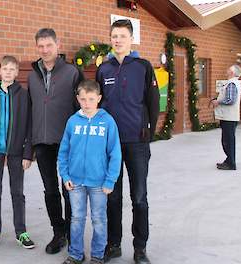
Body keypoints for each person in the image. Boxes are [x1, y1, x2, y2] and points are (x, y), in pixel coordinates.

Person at [96, 19, 159, 264]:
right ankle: (114, 244)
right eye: (114, 36)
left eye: (122, 36)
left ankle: (140, 247)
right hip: (110, 144)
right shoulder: (104, 69)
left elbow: (153, 102)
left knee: (139, 197)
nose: (118, 40)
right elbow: (98, 103)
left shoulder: (143, 66)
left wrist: (148, 131)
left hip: (137, 142)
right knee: (112, 196)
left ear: (131, 39)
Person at [28, 28, 84, 254]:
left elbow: (83, 106)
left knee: (68, 189)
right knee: (50, 190)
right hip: (42, 142)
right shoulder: (32, 75)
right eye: (40, 46)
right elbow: (30, 108)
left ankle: (72, 234)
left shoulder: (72, 72)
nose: (44, 50)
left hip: (66, 142)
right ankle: (58, 233)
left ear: (57, 45)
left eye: (48, 45)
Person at [58, 80, 121, 264]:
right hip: (75, 181)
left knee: (99, 219)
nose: (87, 103)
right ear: (78, 99)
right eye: (83, 99)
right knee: (76, 218)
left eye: (91, 99)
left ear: (99, 98)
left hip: (99, 183)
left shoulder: (107, 121)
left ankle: (97, 255)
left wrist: (110, 181)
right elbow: (63, 151)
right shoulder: (73, 121)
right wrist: (65, 175)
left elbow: (115, 153)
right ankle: (76, 254)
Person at [0, 55, 35, 250]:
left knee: (17, 192)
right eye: (5, 68)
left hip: (16, 150)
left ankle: (21, 232)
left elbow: (29, 125)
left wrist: (28, 153)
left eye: (12, 69)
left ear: (17, 72)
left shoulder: (23, 94)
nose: (8, 72)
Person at [211, 64, 241, 170]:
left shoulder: (231, 83)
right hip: (228, 117)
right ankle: (229, 160)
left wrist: (217, 102)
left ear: (232, 73)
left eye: (229, 69)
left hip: (229, 117)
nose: (227, 70)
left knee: (228, 141)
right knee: (227, 140)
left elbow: (230, 100)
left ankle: (231, 163)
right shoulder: (232, 83)